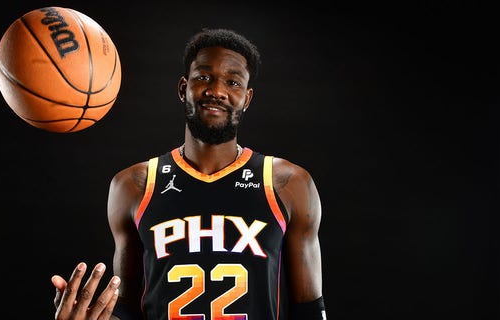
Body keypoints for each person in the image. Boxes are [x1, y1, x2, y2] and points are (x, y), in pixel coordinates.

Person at [51, 28, 326, 320]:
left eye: (232, 82)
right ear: (183, 88)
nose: (216, 90)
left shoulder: (287, 183)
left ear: (247, 98)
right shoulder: (134, 185)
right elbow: (128, 310)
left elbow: (310, 311)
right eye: (204, 77)